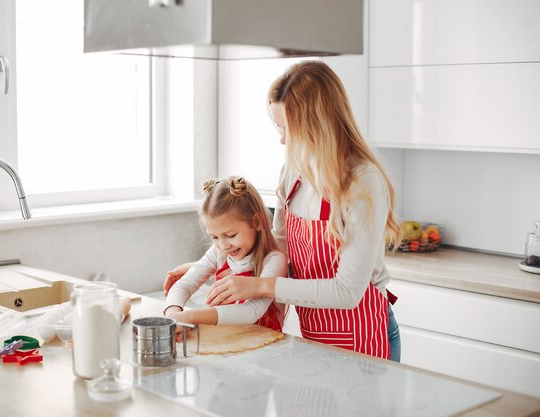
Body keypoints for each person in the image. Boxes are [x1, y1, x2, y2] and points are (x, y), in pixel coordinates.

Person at [165, 60, 402, 361]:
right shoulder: (294, 173)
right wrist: (217, 265)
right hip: (314, 335)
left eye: (289, 128)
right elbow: (280, 248)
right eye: (279, 127)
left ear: (318, 126)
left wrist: (259, 284)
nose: (282, 139)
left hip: (364, 337)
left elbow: (347, 292)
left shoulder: (361, 183)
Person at [164, 176, 288, 339]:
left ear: (256, 221)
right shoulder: (219, 253)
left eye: (230, 235)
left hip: (263, 344)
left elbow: (252, 311)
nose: (223, 246)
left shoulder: (274, 261)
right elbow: (184, 285)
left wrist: (191, 316)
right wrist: (174, 314)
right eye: (214, 237)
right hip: (224, 337)